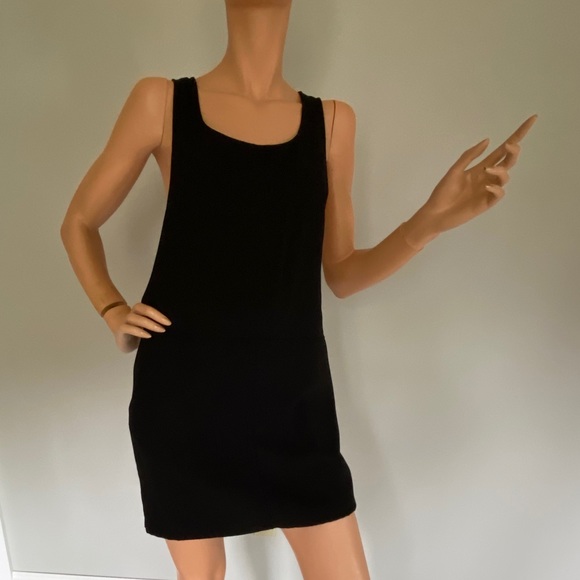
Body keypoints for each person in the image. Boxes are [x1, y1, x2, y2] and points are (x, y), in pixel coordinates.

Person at [59, 0, 537, 578]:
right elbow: (79, 221)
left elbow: (342, 273)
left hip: (293, 401)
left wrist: (427, 224)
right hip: (185, 393)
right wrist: (111, 307)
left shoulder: (332, 122)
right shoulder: (160, 102)